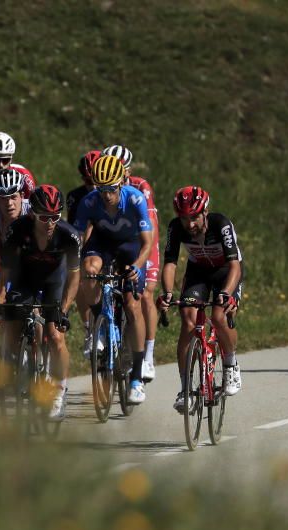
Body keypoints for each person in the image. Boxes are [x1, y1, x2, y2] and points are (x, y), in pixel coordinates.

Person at [74, 155, 153, 405]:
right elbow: (77, 236)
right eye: (101, 189)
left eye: (110, 189)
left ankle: (137, 378)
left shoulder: (135, 199)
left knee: (132, 305)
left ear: (120, 184)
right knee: (88, 269)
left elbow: (147, 242)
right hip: (103, 243)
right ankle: (99, 321)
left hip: (130, 246)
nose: (106, 195)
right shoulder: (89, 201)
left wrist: (138, 267)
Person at [0, 185, 81, 421]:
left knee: (55, 336)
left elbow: (75, 277)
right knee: (12, 325)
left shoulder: (69, 235)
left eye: (55, 217)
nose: (50, 222)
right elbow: (4, 271)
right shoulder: (17, 229)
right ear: (33, 213)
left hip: (55, 281)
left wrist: (63, 310)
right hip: (25, 279)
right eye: (44, 217)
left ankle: (59, 390)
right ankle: (20, 364)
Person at [157, 186, 243, 413]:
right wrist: (167, 293)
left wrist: (226, 293)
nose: (190, 224)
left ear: (205, 211)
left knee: (218, 315)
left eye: (194, 217)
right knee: (187, 319)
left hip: (226, 271)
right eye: (184, 218)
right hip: (198, 272)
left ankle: (231, 364)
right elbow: (171, 263)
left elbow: (235, 265)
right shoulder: (176, 228)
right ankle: (185, 389)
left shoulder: (220, 224)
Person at [103, 144, 161, 382]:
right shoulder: (104, 188)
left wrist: (142, 260)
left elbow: (150, 227)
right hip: (117, 243)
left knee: (145, 294)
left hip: (143, 241)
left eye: (123, 169)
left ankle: (148, 356)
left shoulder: (140, 187)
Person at [0, 168, 32, 245]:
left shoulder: (32, 211)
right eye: (3, 198)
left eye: (13, 197)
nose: (9, 203)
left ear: (22, 196)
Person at [66, 151, 100, 234]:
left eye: (98, 180)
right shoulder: (74, 197)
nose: (94, 187)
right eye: (89, 181)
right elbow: (73, 230)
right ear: (83, 179)